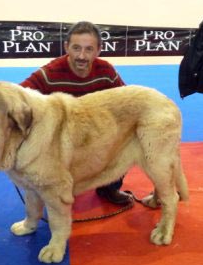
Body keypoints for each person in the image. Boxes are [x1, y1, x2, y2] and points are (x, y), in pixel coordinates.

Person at [20, 21, 133, 205]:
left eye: (89, 49)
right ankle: (56, 186)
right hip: (63, 140)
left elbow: (126, 101)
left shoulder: (106, 71)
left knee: (123, 139)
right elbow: (20, 96)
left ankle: (109, 188)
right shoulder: (49, 73)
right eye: (76, 48)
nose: (81, 55)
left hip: (96, 133)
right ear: (66, 47)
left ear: (98, 51)